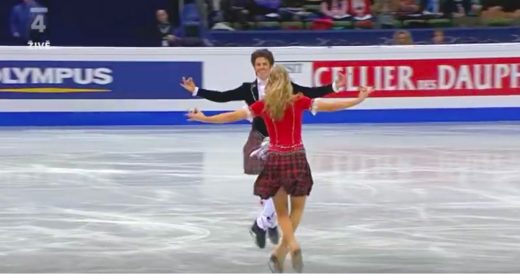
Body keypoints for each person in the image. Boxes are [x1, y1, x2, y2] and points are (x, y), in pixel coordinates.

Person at [186, 64, 373, 273]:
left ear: (271, 83)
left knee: (281, 212)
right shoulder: (299, 101)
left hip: (275, 160)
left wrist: (203, 118)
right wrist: (359, 99)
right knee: (298, 209)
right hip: (297, 158)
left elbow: (230, 116)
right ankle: (282, 250)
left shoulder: (262, 105)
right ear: (287, 82)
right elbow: (332, 106)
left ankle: (288, 248)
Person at [180, 49, 345, 249]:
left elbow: (311, 92)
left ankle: (264, 223)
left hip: (282, 142)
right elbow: (223, 96)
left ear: (271, 66)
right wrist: (196, 90)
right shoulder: (248, 89)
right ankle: (268, 222)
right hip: (259, 138)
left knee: (277, 186)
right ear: (254, 67)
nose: (261, 67)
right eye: (258, 64)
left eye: (265, 64)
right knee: (272, 188)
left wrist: (335, 86)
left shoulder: (287, 87)